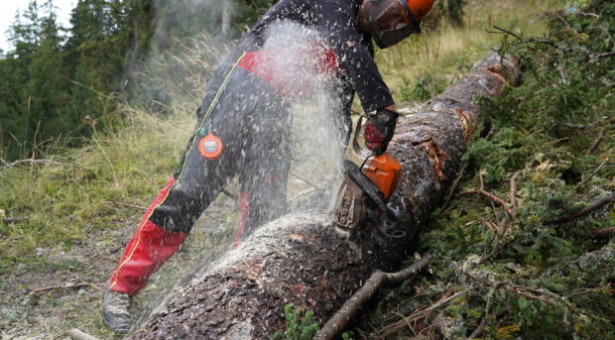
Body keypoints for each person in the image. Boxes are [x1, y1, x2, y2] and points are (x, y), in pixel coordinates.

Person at [102, 0, 435, 333]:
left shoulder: (359, 47)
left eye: (400, 24)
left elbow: (339, 112)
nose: (391, 25)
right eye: (392, 15)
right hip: (239, 85)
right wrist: (382, 105)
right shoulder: (338, 8)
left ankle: (231, 287)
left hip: (276, 109)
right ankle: (122, 287)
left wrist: (345, 163)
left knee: (267, 207)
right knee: (191, 191)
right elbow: (344, 42)